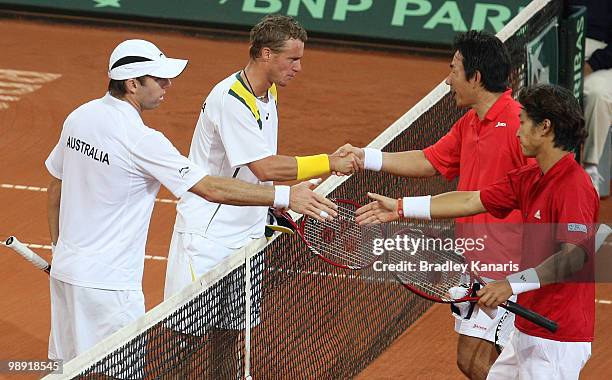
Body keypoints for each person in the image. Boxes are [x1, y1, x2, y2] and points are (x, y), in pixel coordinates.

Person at [45, 39, 337, 362]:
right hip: (110, 286)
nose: (167, 85)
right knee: (119, 369)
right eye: (158, 79)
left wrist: (60, 250)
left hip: (66, 273)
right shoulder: (143, 141)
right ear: (131, 84)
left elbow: (55, 188)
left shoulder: (79, 117)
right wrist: (284, 194)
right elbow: (210, 188)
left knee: (67, 368)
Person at [356, 83, 597, 379]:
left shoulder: (573, 186)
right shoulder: (530, 177)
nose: (517, 131)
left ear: (545, 128)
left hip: (557, 340)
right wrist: (402, 207)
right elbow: (471, 199)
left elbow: (571, 260)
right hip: (527, 331)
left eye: (523, 123)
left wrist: (511, 284)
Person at [337, 30, 529, 379]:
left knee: (489, 362)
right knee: (478, 362)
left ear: (476, 77)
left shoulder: (518, 126)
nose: (447, 80)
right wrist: (366, 158)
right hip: (479, 261)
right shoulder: (470, 123)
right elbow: (429, 161)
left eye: (454, 70)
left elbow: (539, 196)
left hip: (510, 265)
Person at [571, 0, 612, 195]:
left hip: (603, 60)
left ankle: (590, 168)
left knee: (597, 95)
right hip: (567, 47)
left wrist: (591, 65)